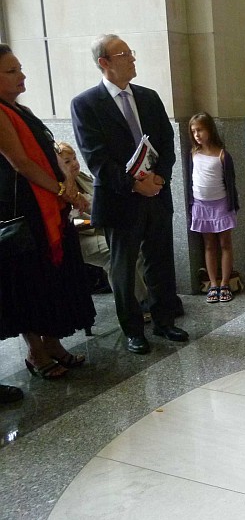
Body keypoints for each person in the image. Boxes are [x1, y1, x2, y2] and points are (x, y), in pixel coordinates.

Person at [71, 34, 189, 355]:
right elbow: (96, 159)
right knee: (123, 270)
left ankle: (164, 321)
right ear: (104, 63)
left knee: (160, 263)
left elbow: (166, 143)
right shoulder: (85, 104)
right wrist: (135, 185)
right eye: (124, 54)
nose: (133, 58)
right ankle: (133, 331)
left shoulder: (149, 97)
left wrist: (160, 177)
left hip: (157, 195)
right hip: (119, 201)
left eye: (130, 52)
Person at [0, 43, 95, 386]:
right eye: (11, 71)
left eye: (20, 68)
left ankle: (53, 342)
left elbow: (49, 155)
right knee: (30, 280)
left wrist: (69, 187)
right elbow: (21, 163)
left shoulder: (21, 110)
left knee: (55, 277)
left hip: (50, 205)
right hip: (25, 211)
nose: (22, 75)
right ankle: (36, 351)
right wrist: (60, 190)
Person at [55, 142, 149, 313]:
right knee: (116, 254)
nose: (74, 163)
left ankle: (136, 299)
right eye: (67, 161)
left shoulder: (82, 177)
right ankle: (138, 303)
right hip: (79, 238)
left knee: (136, 246)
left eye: (75, 158)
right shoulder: (59, 188)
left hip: (100, 228)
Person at [187, 112, 239, 304]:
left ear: (210, 129)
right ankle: (213, 283)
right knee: (209, 245)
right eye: (193, 131)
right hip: (201, 205)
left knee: (225, 243)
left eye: (200, 130)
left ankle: (225, 283)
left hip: (221, 204)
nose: (197, 135)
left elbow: (230, 182)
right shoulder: (193, 154)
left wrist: (232, 206)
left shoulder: (222, 155)